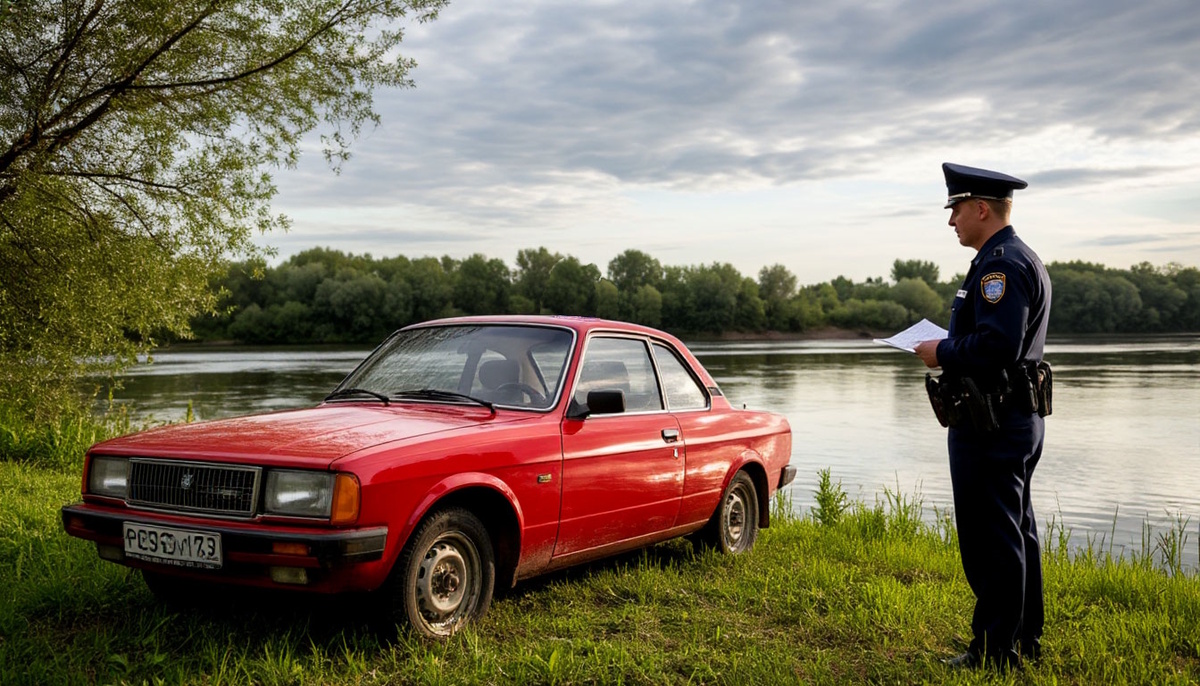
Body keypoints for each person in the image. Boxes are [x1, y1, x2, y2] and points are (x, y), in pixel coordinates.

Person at [913, 162, 1052, 670]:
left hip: (992, 422)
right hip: (1012, 417)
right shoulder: (1011, 258)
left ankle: (995, 654)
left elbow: (998, 345)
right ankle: (1023, 640)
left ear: (980, 208)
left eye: (954, 209)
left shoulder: (1000, 266)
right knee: (1015, 531)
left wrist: (940, 352)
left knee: (991, 538)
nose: (951, 221)